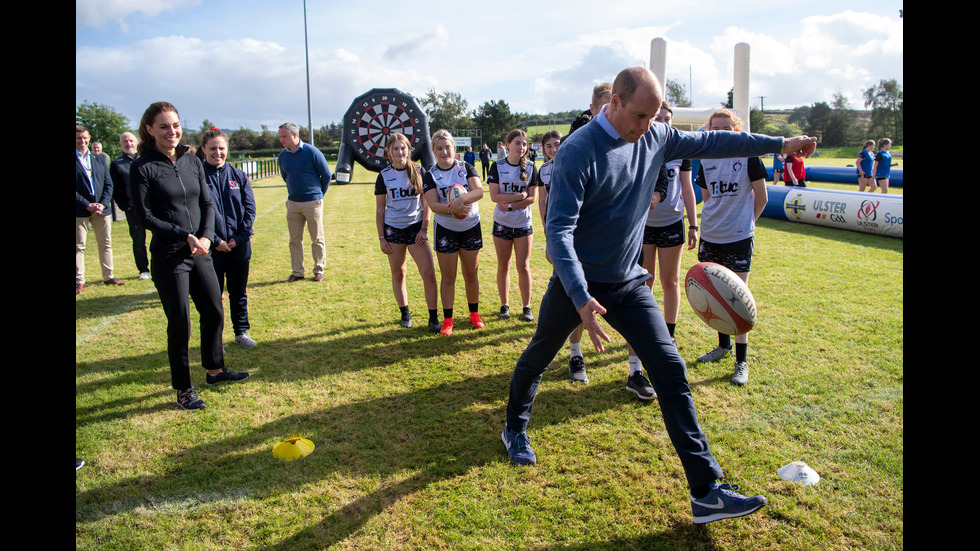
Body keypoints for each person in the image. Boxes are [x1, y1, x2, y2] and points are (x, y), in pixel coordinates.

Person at [501, 66, 816, 525]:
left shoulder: (656, 137)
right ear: (614, 103)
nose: (647, 126)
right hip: (580, 283)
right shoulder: (578, 150)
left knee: (670, 369)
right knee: (539, 355)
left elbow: (715, 143)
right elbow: (559, 233)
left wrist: (779, 145)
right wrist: (580, 297)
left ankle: (706, 491)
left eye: (654, 117)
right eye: (641, 115)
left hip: (628, 282)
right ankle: (514, 429)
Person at [130, 102, 249, 411]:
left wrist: (207, 237)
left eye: (175, 125)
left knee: (214, 312)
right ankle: (183, 389)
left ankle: (214, 370)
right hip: (170, 256)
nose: (172, 132)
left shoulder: (192, 161)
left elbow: (207, 204)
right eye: (164, 126)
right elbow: (145, 217)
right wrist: (184, 235)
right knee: (180, 323)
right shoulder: (142, 167)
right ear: (150, 130)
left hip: (201, 251)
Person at [693, 109, 768, 386]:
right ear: (709, 130)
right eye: (716, 127)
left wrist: (745, 225)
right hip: (710, 237)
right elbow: (708, 198)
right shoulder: (707, 159)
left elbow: (761, 197)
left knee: (738, 299)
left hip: (738, 239)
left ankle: (741, 362)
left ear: (736, 129)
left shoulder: (749, 155)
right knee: (715, 296)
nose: (721, 131)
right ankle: (722, 347)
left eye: (727, 127)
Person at [642, 101, 697, 352]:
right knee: (644, 281)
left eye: (667, 119)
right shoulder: (643, 148)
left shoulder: (680, 151)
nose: (663, 122)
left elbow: (687, 190)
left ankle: (669, 333)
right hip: (644, 225)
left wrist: (694, 225)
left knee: (670, 281)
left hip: (672, 224)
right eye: (659, 118)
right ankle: (645, 328)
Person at [198, 128, 258, 349]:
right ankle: (216, 338)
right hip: (212, 248)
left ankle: (241, 332)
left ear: (227, 149)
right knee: (213, 296)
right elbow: (197, 214)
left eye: (221, 148)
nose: (218, 153)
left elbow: (250, 210)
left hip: (239, 246)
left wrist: (239, 238)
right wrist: (215, 240)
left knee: (238, 292)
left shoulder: (239, 176)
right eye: (212, 148)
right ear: (203, 149)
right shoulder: (198, 177)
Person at [422, 129, 485, 336]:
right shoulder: (430, 174)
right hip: (446, 229)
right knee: (448, 277)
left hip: (470, 227)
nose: (444, 151)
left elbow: (479, 191)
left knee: (471, 274)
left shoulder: (465, 167)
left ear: (453, 148)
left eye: (447, 147)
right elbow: (432, 205)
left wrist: (462, 200)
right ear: (433, 150)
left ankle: (474, 315)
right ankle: (448, 320)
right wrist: (455, 207)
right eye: (439, 148)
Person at [375, 132, 440, 333]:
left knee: (428, 273)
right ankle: (405, 313)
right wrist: (382, 237)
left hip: (415, 230)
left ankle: (433, 316)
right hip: (393, 230)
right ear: (388, 151)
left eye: (403, 148)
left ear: (408, 149)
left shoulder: (419, 170)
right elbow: (380, 209)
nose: (400, 152)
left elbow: (426, 201)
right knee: (399, 272)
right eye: (395, 148)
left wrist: (423, 228)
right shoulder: (383, 175)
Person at [488, 129, 539, 322]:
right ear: (508, 145)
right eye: (517, 143)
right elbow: (494, 196)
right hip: (502, 223)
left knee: (523, 266)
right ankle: (504, 305)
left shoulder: (532, 166)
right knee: (504, 265)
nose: (521, 147)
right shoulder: (497, 166)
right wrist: (518, 197)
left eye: (524, 144)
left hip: (523, 224)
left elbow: (532, 198)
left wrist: (510, 205)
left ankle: (526, 306)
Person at [278, 122, 331, 283]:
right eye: (280, 137)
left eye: (284, 136)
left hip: (312, 202)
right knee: (294, 240)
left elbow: (326, 175)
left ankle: (319, 270)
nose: (282, 140)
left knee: (317, 238)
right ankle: (297, 272)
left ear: (295, 135)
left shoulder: (312, 152)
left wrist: (318, 194)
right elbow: (285, 176)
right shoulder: (282, 156)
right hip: (293, 203)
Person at [76, 125, 124, 293]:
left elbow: (108, 184)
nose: (82, 141)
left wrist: (102, 204)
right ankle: (78, 281)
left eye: (84, 137)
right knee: (78, 246)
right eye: (78, 138)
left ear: (89, 138)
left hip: (101, 210)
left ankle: (109, 276)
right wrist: (87, 205)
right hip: (79, 210)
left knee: (105, 243)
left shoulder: (98, 159)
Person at [110, 132, 151, 281]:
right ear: (121, 144)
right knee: (139, 240)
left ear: (137, 142)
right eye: (125, 141)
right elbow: (115, 188)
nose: (129, 144)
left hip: (152, 207)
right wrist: (125, 206)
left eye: (131, 140)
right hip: (133, 209)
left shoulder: (146, 158)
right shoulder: (116, 164)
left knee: (160, 236)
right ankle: (143, 269)